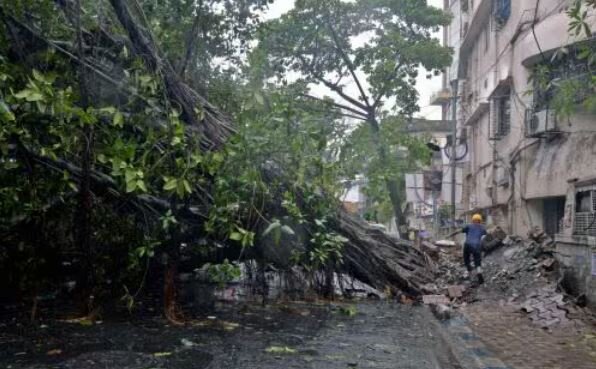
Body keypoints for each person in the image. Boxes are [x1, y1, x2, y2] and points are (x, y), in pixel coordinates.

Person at [448, 213, 487, 284]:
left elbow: (459, 231)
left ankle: (470, 275)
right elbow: (485, 237)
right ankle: (479, 272)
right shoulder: (482, 228)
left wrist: (451, 234)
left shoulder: (469, 226)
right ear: (480, 220)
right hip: (477, 246)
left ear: (473, 220)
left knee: (466, 259)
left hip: (467, 245)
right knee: (477, 261)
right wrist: (483, 248)